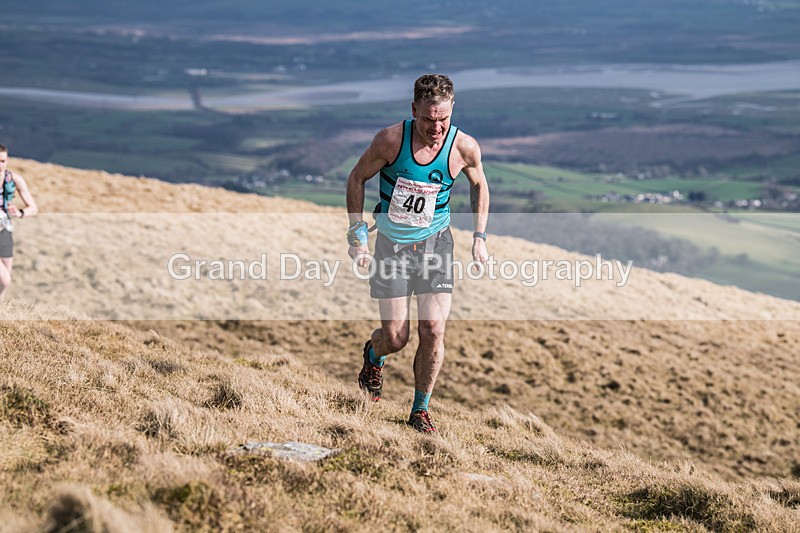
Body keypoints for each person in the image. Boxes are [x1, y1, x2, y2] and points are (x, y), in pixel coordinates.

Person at [346, 74, 490, 433]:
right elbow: (355, 179)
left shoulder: (464, 147)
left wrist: (479, 236)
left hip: (436, 246)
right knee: (396, 337)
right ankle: (373, 357)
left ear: (451, 111)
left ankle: (420, 411)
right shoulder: (391, 140)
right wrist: (357, 234)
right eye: (428, 120)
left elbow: (479, 185)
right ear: (414, 110)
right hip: (391, 247)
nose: (436, 128)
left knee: (433, 330)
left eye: (443, 119)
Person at [0, 144, 39, 298]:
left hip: (5, 233)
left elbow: (34, 208)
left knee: (3, 284)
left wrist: (20, 212)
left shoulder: (14, 180)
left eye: (3, 161)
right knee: (4, 280)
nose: (0, 165)